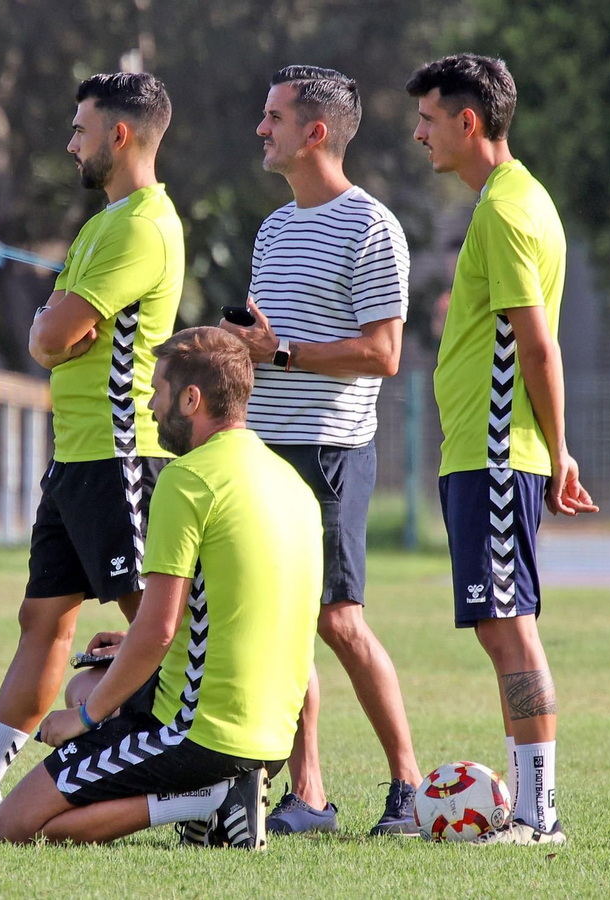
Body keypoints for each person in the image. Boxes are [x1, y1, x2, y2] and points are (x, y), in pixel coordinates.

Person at [0, 73, 183, 809]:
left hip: (120, 454)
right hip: (77, 457)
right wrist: (54, 332)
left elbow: (49, 333)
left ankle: (215, 766)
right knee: (44, 619)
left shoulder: (142, 225)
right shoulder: (103, 222)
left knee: (153, 618)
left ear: (119, 136)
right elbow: (54, 333)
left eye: (80, 128)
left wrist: (53, 332)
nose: (69, 142)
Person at [0, 326, 323, 849]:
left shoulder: (187, 479)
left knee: (17, 824)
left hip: (200, 734)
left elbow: (158, 629)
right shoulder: (292, 484)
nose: (147, 404)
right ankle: (218, 793)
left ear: (192, 399)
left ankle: (208, 798)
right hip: (270, 735)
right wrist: (120, 660)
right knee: (92, 678)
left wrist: (83, 719)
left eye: (158, 390)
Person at [218, 65, 422, 836]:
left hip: (331, 449)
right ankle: (308, 793)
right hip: (262, 449)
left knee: (338, 620)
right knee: (282, 619)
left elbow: (383, 353)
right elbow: (267, 346)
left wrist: (282, 354)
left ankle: (406, 786)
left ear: (315, 132)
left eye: (273, 117)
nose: (260, 129)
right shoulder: (274, 227)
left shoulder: (372, 226)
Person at [406, 53, 597, 846]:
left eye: (427, 120)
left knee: (510, 626)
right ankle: (531, 807)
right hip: (485, 454)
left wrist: (558, 451)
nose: (419, 134)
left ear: (469, 122)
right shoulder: (512, 203)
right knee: (501, 626)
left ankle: (537, 814)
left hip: (496, 454)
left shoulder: (508, 211)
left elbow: (539, 345)